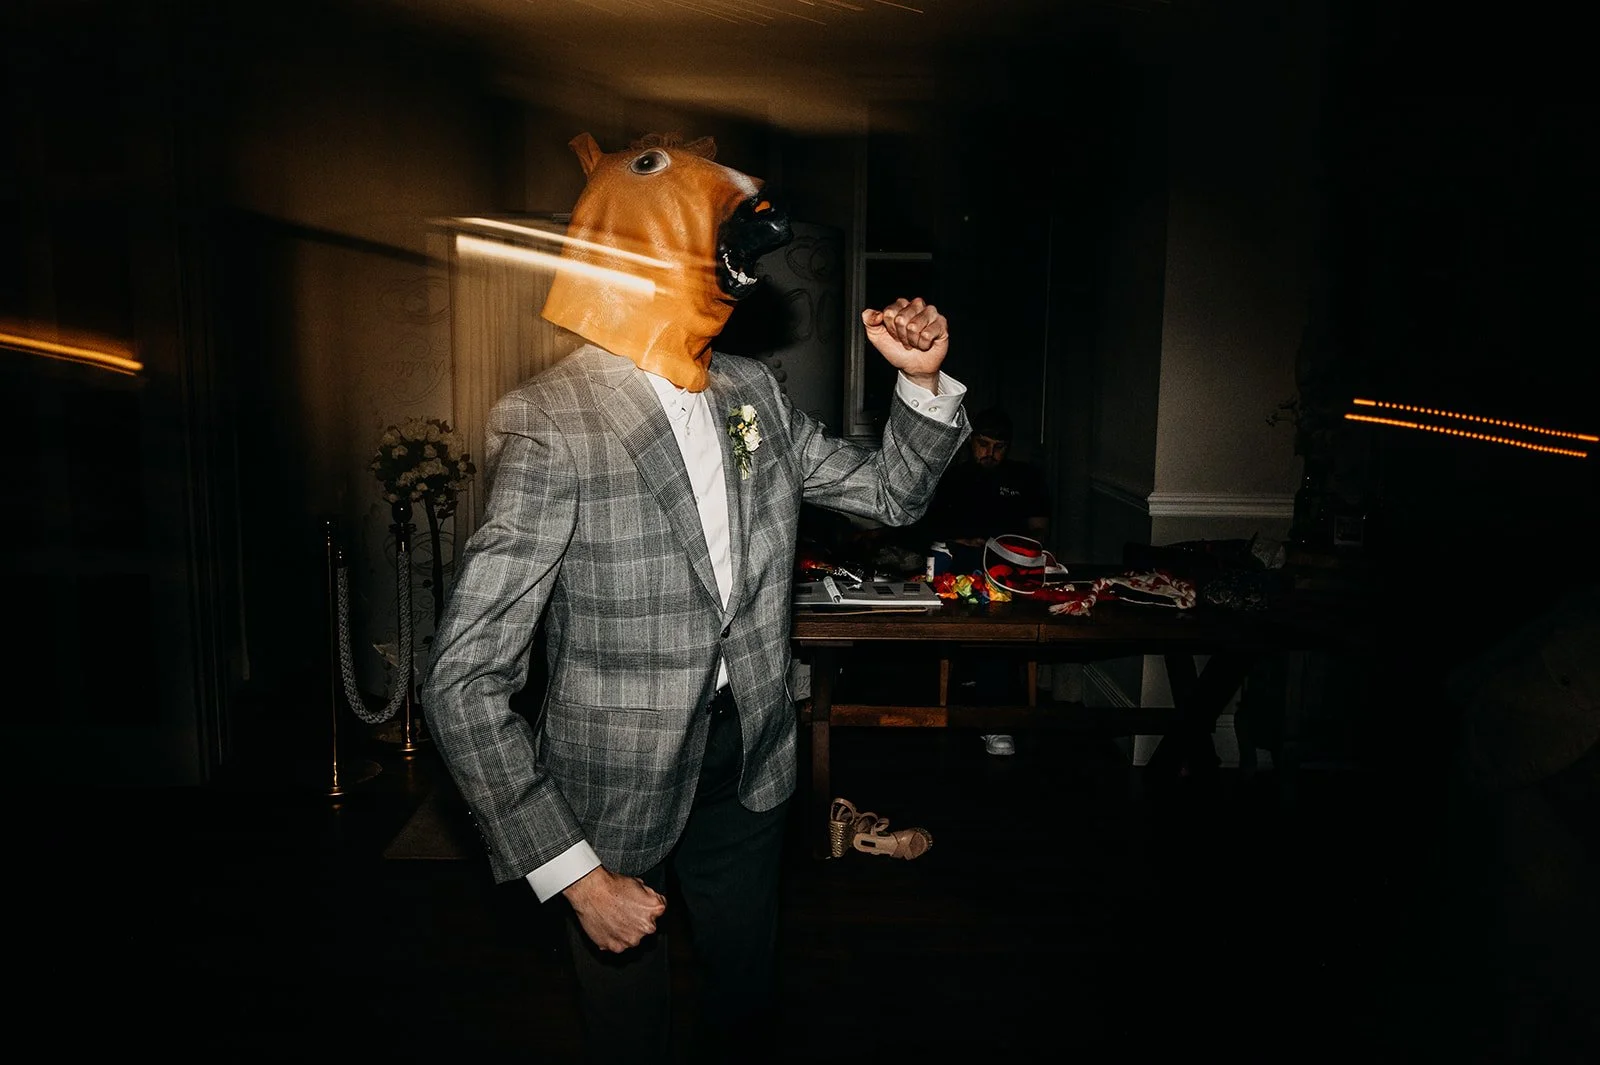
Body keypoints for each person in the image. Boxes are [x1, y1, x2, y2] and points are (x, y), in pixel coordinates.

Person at [420, 131, 969, 1065]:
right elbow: (462, 680)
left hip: (748, 761)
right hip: (611, 785)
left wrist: (918, 382)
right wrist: (576, 875)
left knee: (745, 1003)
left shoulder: (752, 389)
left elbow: (891, 496)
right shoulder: (553, 421)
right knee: (629, 1029)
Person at [920, 406, 1051, 755]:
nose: (990, 453)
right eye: (983, 444)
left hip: (1009, 566)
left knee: (999, 617)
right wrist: (958, 539)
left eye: (999, 447)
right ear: (971, 442)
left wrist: (1013, 546)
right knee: (973, 606)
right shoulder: (953, 478)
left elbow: (1040, 531)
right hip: (960, 563)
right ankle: (976, 688)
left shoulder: (1026, 478)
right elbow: (929, 528)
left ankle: (995, 718)